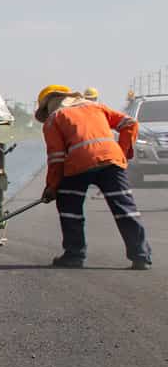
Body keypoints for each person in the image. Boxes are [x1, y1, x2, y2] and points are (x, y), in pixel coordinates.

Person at [37, 83, 150, 270]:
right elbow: (130, 123)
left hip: (79, 165)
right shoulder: (96, 107)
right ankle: (141, 256)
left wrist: (52, 187)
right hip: (111, 162)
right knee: (125, 209)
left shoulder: (54, 119)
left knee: (69, 207)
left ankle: (74, 255)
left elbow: (56, 159)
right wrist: (121, 153)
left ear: (49, 104)